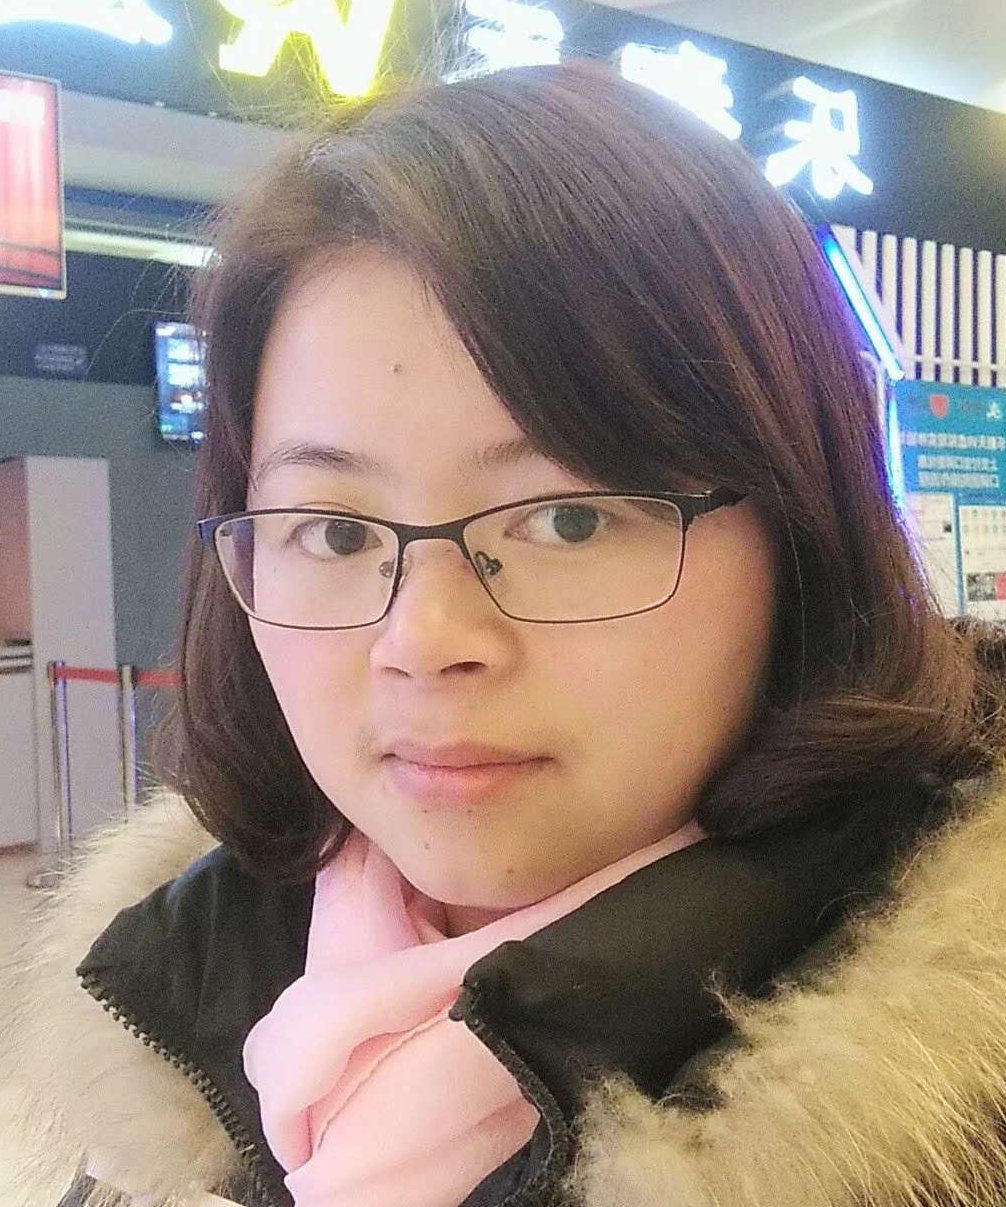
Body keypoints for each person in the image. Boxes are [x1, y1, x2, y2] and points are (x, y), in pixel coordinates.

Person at [4, 59, 1006, 1207]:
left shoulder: (947, 1125)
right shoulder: (175, 1001)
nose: (424, 638)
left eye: (566, 520)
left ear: (799, 538)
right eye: (334, 532)